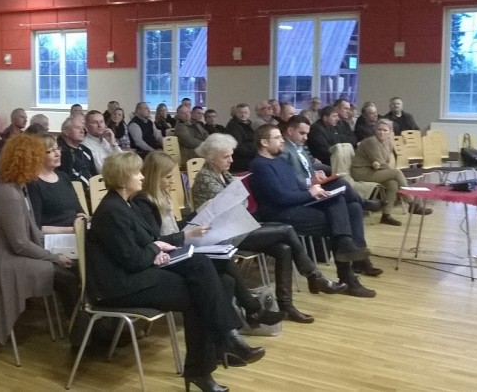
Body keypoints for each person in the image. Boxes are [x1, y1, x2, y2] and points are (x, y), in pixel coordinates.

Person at [87, 151, 263, 392]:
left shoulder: (125, 204)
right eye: (137, 173)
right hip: (121, 286)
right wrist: (155, 249)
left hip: (139, 272)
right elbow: (133, 260)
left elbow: (149, 243)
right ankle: (216, 351)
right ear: (123, 178)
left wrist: (156, 247)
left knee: (210, 272)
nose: (142, 176)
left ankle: (218, 350)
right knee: (199, 292)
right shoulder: (111, 211)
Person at [191, 136, 346, 318]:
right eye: (226, 157)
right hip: (221, 235)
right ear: (211, 157)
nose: (232, 160)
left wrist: (238, 202)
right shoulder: (205, 178)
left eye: (231, 155)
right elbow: (231, 206)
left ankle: (287, 307)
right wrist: (238, 202)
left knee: (284, 249)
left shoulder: (224, 174)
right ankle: (314, 276)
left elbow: (242, 202)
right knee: (287, 229)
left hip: (238, 226)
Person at [133, 152, 284, 329]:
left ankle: (236, 325)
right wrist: (188, 234)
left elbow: (174, 228)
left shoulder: (162, 195)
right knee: (222, 262)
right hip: (165, 256)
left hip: (176, 247)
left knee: (226, 275)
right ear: (155, 177)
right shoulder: (143, 202)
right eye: (167, 177)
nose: (172, 181)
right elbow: (155, 240)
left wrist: (198, 214)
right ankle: (249, 314)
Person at [0, 134, 77, 346]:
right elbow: (20, 245)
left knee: (72, 267)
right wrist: (54, 257)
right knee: (66, 276)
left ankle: (80, 329)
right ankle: (80, 335)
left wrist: (57, 245)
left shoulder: (15, 186)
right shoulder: (9, 193)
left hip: (8, 252)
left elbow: (27, 235)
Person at [248, 124, 376, 298]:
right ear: (264, 142)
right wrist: (310, 193)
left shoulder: (280, 161)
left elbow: (297, 186)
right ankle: (349, 274)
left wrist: (314, 186)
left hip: (297, 205)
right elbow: (280, 198)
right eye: (277, 138)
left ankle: (349, 252)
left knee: (351, 207)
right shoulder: (260, 165)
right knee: (338, 221)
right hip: (281, 213)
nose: (282, 141)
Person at [352, 119, 432, 226]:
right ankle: (412, 203)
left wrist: (380, 166)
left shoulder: (389, 143)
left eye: (385, 130)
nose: (382, 132)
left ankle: (386, 215)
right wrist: (387, 170)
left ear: (390, 131)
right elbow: (382, 163)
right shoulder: (371, 142)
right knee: (396, 173)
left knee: (393, 184)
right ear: (374, 130)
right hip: (361, 172)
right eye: (379, 129)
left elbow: (383, 162)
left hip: (374, 170)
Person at [28, 135, 87, 233]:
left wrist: (82, 221)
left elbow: (79, 210)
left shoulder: (64, 177)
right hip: (56, 236)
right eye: (50, 151)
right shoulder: (33, 184)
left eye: (57, 149)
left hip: (77, 231)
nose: (58, 154)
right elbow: (36, 226)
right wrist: (73, 230)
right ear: (38, 155)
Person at [58, 116, 96, 188]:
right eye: (77, 128)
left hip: (93, 189)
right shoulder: (61, 153)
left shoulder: (86, 150)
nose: (82, 131)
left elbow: (94, 173)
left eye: (83, 128)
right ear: (66, 131)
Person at [225, 103, 255, 173]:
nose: (243, 115)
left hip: (250, 157)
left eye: (245, 112)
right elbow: (237, 146)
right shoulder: (233, 126)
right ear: (236, 113)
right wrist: (255, 152)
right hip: (240, 161)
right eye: (240, 112)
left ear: (249, 113)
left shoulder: (249, 125)